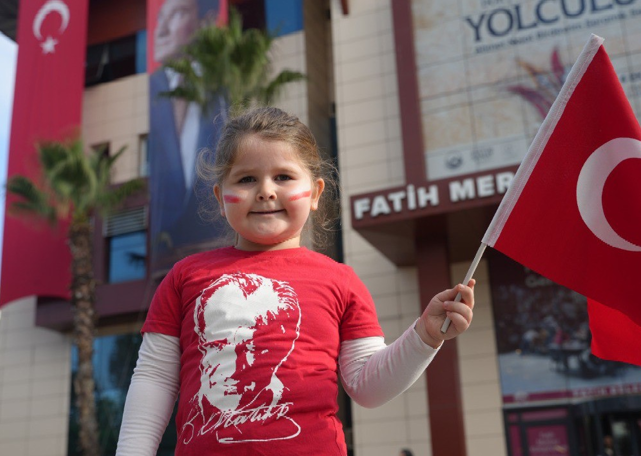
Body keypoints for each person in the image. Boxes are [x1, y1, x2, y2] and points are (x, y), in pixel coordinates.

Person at [116, 107, 476, 455]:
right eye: (246, 179)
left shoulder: (341, 281)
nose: (266, 191)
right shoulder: (185, 277)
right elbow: (155, 378)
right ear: (220, 199)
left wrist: (425, 337)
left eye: (284, 177)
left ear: (316, 193)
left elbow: (368, 387)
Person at [149, 0, 227, 274]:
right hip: (164, 260)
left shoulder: (230, 83)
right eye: (160, 18)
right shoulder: (149, 90)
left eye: (178, 15)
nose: (161, 31)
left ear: (206, 21)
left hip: (222, 248)